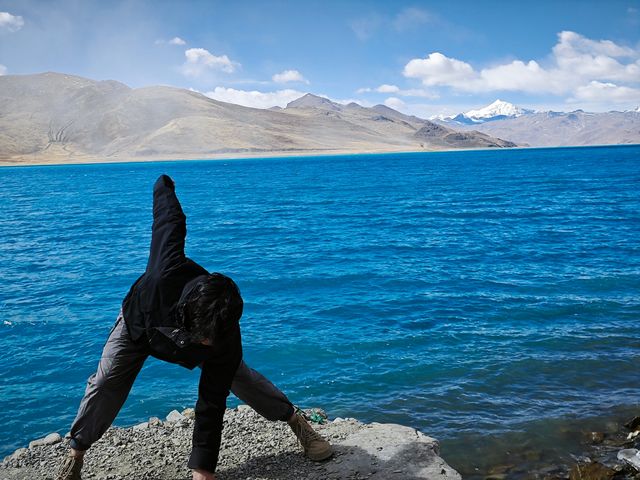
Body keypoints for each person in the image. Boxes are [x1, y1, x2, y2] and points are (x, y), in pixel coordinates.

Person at [56, 174, 332, 480]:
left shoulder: (223, 336)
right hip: (140, 325)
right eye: (203, 338)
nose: (206, 344)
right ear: (190, 315)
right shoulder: (166, 269)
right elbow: (169, 217)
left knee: (242, 379)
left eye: (211, 340)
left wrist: (203, 470)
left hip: (191, 334)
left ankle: (296, 422)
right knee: (106, 381)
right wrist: (164, 185)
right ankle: (76, 453)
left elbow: (210, 404)